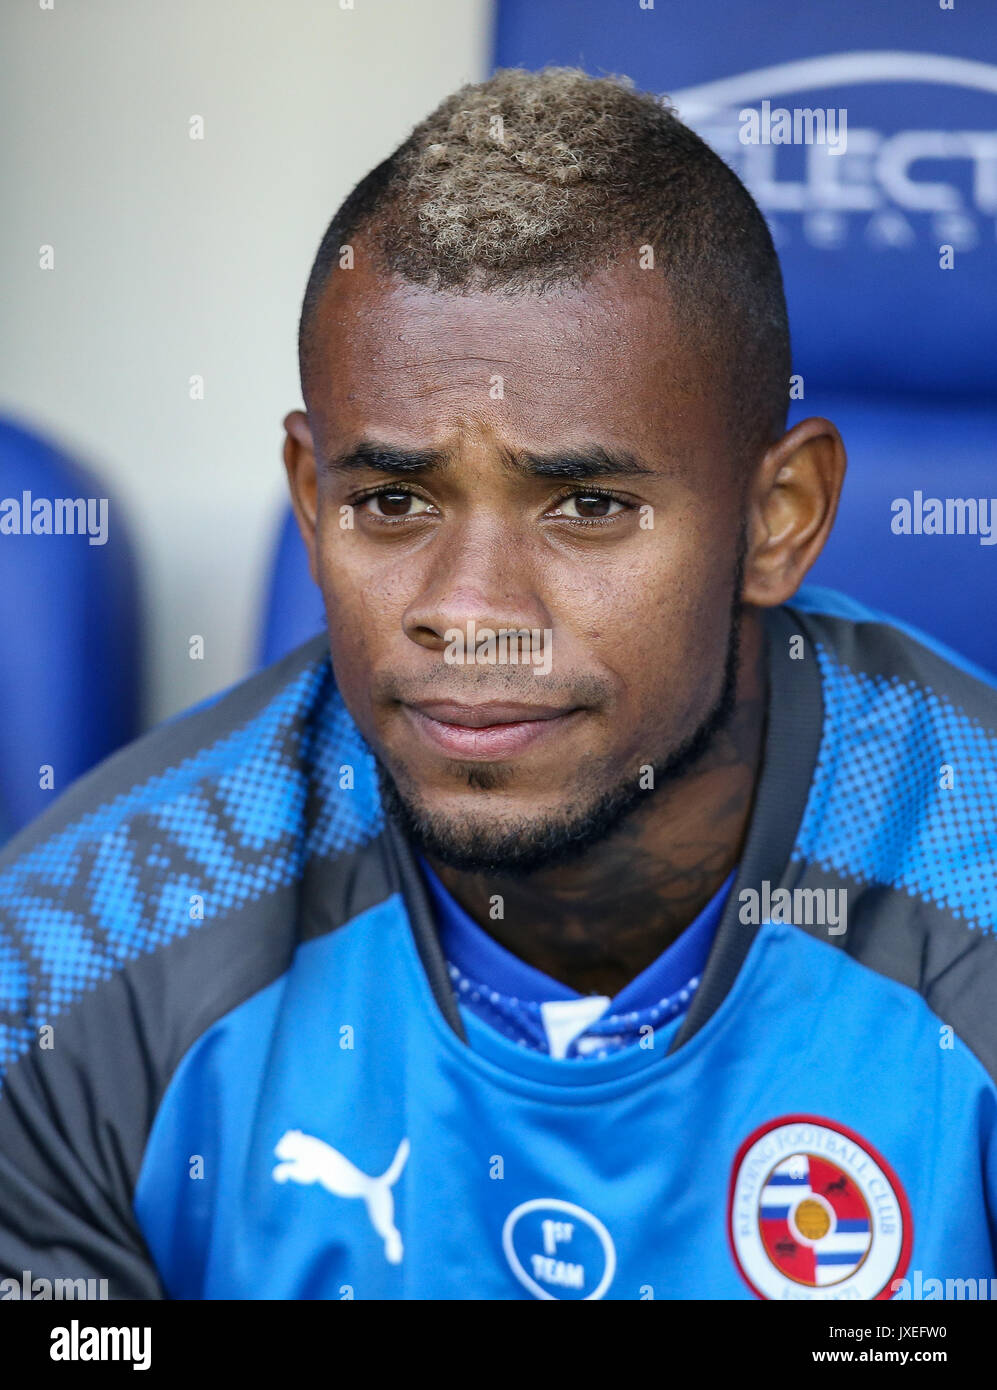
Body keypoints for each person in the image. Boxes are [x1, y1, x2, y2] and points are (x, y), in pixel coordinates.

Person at [1, 66, 995, 1303]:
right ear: (311, 503)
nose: (468, 613)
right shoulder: (60, 971)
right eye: (394, 501)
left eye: (585, 506)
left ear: (776, 519)